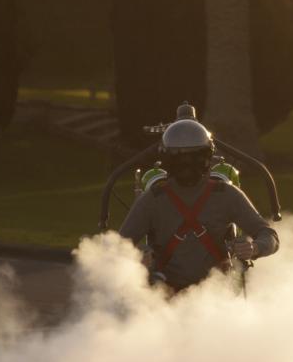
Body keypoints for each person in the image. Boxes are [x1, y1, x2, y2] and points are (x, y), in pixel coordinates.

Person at [119, 105, 279, 291]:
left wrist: (255, 248)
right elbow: (118, 247)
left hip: (216, 294)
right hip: (163, 297)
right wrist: (137, 256)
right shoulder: (152, 199)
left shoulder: (226, 195)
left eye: (194, 158)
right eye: (180, 159)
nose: (187, 166)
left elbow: (270, 236)